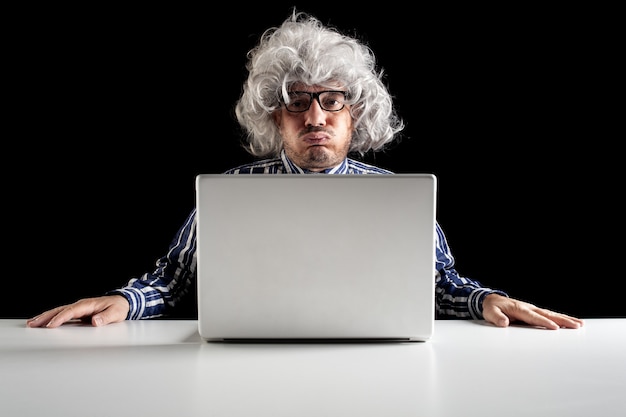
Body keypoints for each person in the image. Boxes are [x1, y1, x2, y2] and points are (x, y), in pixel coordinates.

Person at [27, 10, 583, 331]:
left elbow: (439, 284)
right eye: (297, 101)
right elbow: (173, 281)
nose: (314, 116)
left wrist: (485, 300)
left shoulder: (397, 196)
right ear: (275, 114)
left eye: (331, 100)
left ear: (356, 111)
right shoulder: (232, 193)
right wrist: (124, 301)